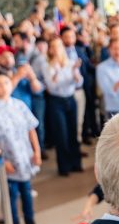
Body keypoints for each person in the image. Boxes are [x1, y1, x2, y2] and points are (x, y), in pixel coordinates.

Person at [0, 70, 41, 224]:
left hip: (25, 157)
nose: (4, 87)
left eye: (6, 83)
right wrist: (3, 161)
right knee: (11, 196)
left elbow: (31, 129)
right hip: (8, 161)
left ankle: (30, 221)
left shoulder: (19, 104)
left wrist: (36, 152)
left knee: (27, 192)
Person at [35, 37, 83, 177]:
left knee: (73, 132)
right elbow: (51, 86)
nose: (56, 49)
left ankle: (76, 163)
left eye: (59, 46)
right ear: (50, 49)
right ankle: (64, 166)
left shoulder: (70, 63)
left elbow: (79, 83)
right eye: (53, 46)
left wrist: (74, 71)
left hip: (70, 99)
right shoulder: (47, 65)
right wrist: (56, 71)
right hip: (56, 101)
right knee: (61, 134)